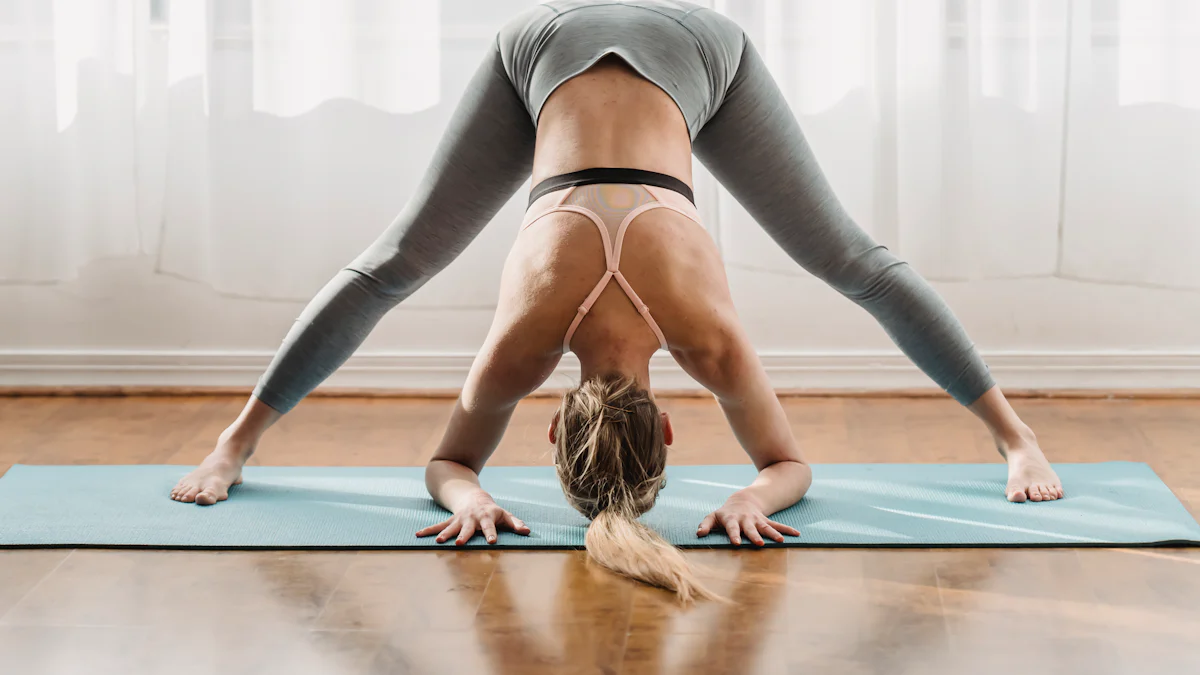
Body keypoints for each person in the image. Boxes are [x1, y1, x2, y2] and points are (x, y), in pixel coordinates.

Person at [171, 0, 1063, 601]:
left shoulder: (704, 346)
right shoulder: (526, 348)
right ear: (556, 426)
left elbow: (789, 467)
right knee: (853, 261)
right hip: (559, 44)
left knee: (398, 260)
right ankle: (1015, 439)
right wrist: (467, 493)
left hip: (668, 44)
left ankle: (230, 446)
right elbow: (447, 462)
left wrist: (755, 494)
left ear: (669, 426)